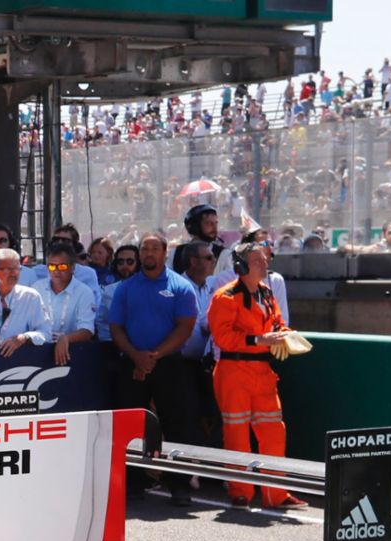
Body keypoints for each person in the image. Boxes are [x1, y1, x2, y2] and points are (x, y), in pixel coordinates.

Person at [108, 234, 201, 506]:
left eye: (154, 249)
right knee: (131, 427)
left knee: (176, 425)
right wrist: (137, 357)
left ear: (164, 252)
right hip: (132, 363)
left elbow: (185, 327)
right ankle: (134, 483)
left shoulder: (180, 287)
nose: (148, 253)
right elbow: (116, 327)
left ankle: (179, 485)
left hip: (169, 365)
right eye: (144, 248)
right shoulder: (126, 288)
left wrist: (154, 356)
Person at [208, 243, 303, 509]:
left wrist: (285, 335)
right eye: (258, 260)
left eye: (265, 259)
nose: (264, 264)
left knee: (274, 432)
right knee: (237, 434)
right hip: (234, 372)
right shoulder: (225, 297)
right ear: (241, 266)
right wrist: (260, 339)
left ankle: (276, 494)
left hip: (263, 372)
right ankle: (241, 492)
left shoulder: (267, 294)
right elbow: (223, 337)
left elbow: (277, 323)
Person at [30, 242, 96, 365]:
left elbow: (87, 330)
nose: (56, 271)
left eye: (62, 267)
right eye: (52, 266)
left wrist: (66, 338)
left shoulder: (84, 292)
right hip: (38, 353)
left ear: (73, 267)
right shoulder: (36, 288)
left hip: (71, 354)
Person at [172, 203, 223, 276]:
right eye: (208, 223)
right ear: (194, 227)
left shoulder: (224, 254)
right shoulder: (175, 253)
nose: (214, 228)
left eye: (215, 223)